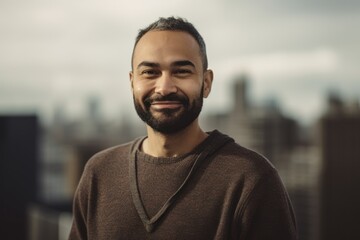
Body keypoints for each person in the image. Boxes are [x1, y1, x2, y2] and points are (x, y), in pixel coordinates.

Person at [69, 17, 298, 240]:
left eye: (181, 71)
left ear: (206, 83)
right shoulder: (99, 172)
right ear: (132, 83)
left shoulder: (251, 178)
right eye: (150, 72)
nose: (165, 87)